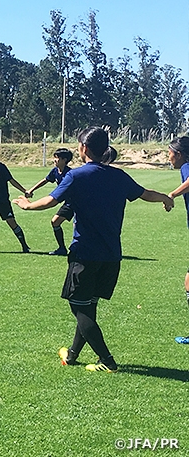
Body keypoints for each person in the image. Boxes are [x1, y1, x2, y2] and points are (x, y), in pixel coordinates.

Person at [13, 127, 173, 372]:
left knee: (79, 307)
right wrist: (165, 197)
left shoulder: (77, 176)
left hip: (85, 255)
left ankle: (107, 361)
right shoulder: (119, 176)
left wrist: (26, 205)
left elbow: (50, 201)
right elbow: (145, 194)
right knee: (88, 306)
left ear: (83, 149)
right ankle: (72, 354)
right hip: (111, 257)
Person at [26, 148, 74, 256]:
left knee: (80, 226)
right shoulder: (55, 171)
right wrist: (31, 190)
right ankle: (62, 249)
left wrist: (52, 198)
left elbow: (60, 194)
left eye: (57, 158)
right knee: (55, 222)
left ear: (64, 160)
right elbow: (45, 180)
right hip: (69, 203)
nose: (54, 160)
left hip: (78, 203)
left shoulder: (70, 173)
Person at [167, 136, 189, 344]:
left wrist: (172, 195)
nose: (169, 157)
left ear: (179, 154)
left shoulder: (187, 167)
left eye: (170, 153)